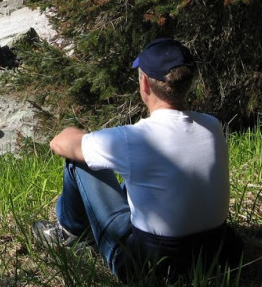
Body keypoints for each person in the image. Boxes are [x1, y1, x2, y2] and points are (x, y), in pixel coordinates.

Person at [33, 37, 242, 283]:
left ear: (144, 84)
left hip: (150, 268)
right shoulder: (212, 125)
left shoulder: (136, 138)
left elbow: (59, 144)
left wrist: (81, 133)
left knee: (79, 162)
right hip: (216, 258)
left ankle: (68, 232)